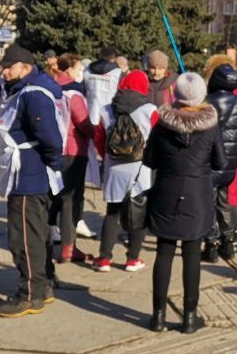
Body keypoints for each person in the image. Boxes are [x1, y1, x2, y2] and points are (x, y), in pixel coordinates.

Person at [144, 72, 225, 333]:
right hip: (197, 195)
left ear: (175, 95)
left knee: (163, 253)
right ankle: (189, 317)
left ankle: (158, 316)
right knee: (192, 256)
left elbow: (149, 159)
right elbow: (220, 162)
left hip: (166, 192)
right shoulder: (210, 126)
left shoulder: (162, 125)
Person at [0, 45, 67, 318]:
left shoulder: (33, 94)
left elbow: (49, 137)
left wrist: (53, 163)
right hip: (30, 174)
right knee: (36, 234)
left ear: (24, 67)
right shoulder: (27, 86)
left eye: (8, 67)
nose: (4, 71)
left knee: (23, 238)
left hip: (28, 175)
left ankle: (29, 293)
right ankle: (42, 285)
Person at [92, 70, 157, 273]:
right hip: (140, 167)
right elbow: (157, 138)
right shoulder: (150, 110)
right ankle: (132, 259)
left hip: (114, 166)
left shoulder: (106, 109)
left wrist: (107, 158)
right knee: (138, 213)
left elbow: (99, 139)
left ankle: (104, 259)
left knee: (112, 212)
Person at [51, 54, 94, 263]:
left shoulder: (50, 88)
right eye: (78, 69)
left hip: (55, 149)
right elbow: (84, 123)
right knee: (72, 199)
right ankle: (69, 245)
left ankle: (57, 240)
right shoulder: (73, 94)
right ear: (69, 70)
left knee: (57, 196)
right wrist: (97, 131)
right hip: (74, 150)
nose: (81, 72)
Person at [204, 62, 237, 261]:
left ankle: (211, 243)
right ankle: (228, 242)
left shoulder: (210, 101)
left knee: (208, 203)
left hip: (212, 160)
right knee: (223, 202)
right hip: (229, 162)